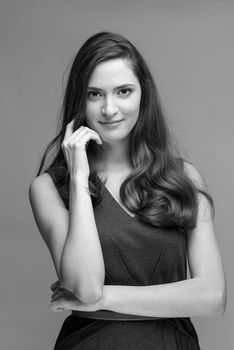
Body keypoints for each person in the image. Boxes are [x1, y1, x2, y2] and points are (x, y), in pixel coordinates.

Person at [28, 31, 226, 350]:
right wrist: (79, 180)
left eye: (123, 91)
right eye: (95, 94)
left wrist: (105, 298)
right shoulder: (49, 188)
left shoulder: (185, 177)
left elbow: (213, 297)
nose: (110, 109)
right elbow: (86, 288)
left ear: (142, 95)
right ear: (79, 100)